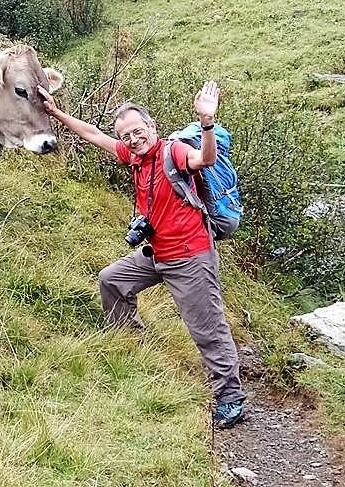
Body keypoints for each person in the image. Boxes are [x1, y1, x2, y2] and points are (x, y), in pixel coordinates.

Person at [37, 80, 247, 429]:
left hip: (190, 255)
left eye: (138, 131)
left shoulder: (174, 152)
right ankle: (131, 343)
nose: (134, 139)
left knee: (206, 328)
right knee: (112, 280)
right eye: (127, 136)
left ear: (152, 127)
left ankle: (230, 398)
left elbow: (205, 158)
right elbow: (92, 134)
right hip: (157, 252)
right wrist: (56, 113)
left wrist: (206, 122)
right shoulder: (133, 157)